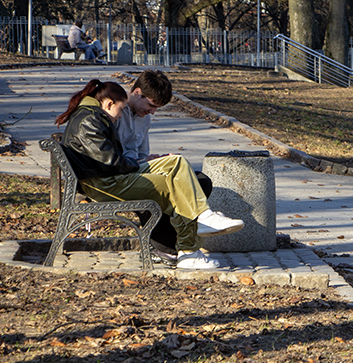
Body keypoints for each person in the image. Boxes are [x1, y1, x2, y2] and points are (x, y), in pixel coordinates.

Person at [56, 79, 243, 269]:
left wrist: (145, 161)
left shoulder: (93, 115)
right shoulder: (90, 119)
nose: (120, 116)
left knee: (176, 162)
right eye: (120, 110)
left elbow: (110, 160)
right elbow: (110, 161)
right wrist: (137, 163)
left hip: (109, 178)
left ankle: (202, 217)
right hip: (106, 185)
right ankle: (190, 250)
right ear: (109, 104)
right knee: (176, 185)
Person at [116, 70, 214, 266]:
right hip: (123, 173)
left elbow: (143, 153)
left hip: (138, 167)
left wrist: (154, 159)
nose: (152, 112)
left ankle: (175, 240)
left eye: (156, 108)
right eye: (151, 105)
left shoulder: (145, 119)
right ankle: (166, 245)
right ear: (137, 92)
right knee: (167, 186)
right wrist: (145, 162)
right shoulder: (116, 113)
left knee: (200, 181)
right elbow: (112, 157)